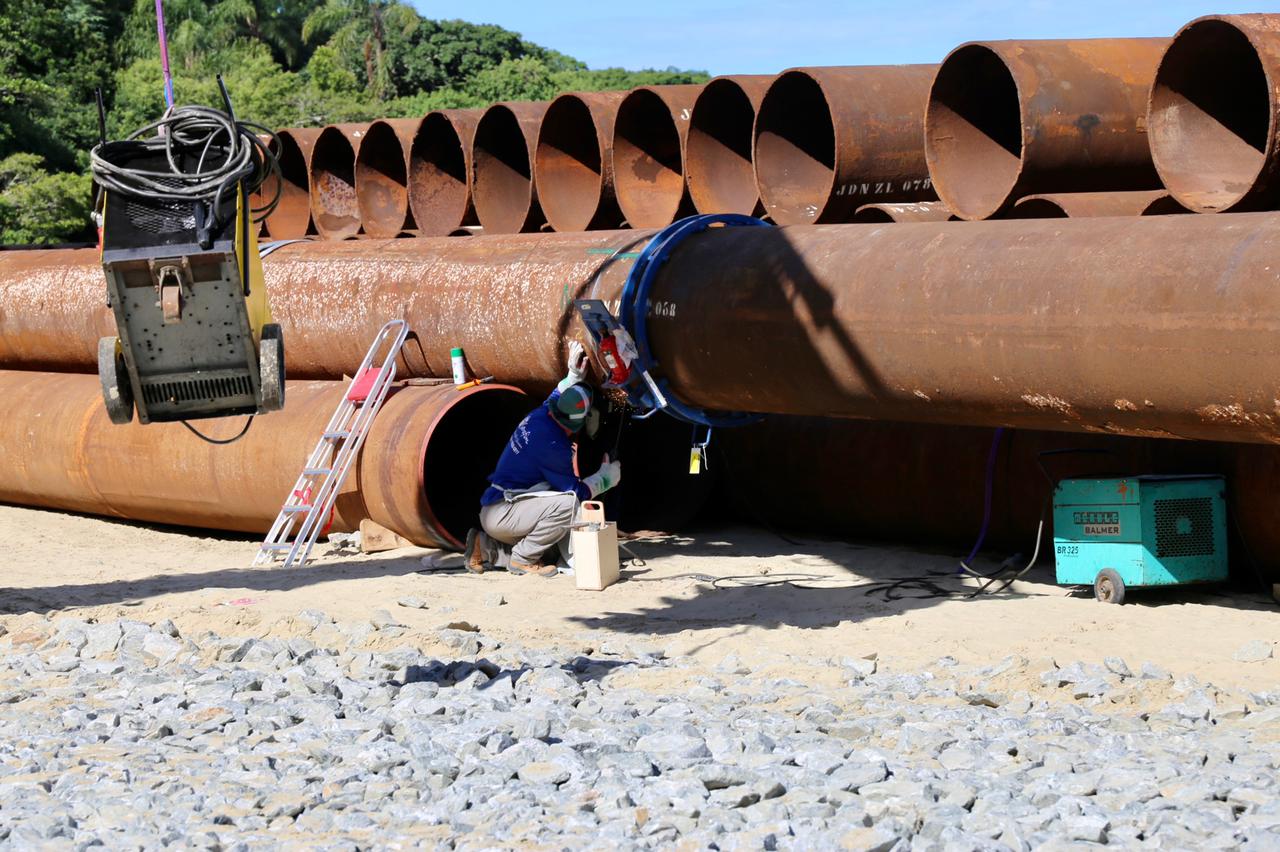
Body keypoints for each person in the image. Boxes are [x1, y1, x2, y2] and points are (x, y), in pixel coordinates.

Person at [464, 341, 621, 577]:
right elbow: (574, 493)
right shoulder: (553, 446)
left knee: (551, 544)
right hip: (505, 513)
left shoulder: (542, 415)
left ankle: (485, 547)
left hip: (499, 508)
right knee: (567, 506)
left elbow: (555, 396)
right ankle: (522, 560)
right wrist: (603, 479)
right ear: (579, 422)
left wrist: (573, 376)